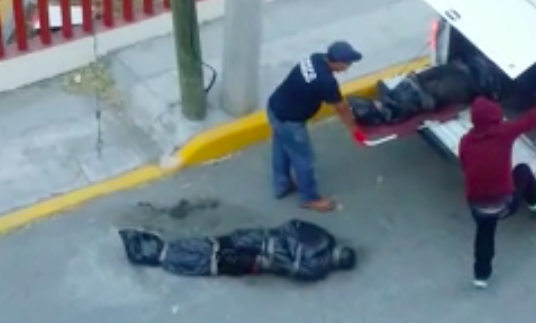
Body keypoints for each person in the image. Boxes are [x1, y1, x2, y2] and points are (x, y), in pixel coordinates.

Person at [458, 95, 536, 288]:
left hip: (477, 206)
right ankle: (535, 200)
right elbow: (529, 120)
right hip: (505, 204)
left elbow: (464, 164)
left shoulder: (466, 142)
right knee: (522, 171)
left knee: (484, 233)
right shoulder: (504, 132)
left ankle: (481, 276)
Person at [266, 41, 363, 212]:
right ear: (337, 62)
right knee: (303, 159)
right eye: (347, 64)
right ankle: (309, 198)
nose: (347, 68)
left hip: (275, 107)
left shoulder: (315, 58)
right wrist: (353, 129)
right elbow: (341, 108)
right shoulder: (326, 81)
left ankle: (281, 185)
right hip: (291, 121)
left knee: (281, 147)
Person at [117, 219, 357, 282]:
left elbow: (290, 233)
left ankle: (161, 253)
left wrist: (277, 245)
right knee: (214, 250)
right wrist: (277, 249)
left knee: (215, 254)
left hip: (256, 250)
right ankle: (163, 252)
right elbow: (289, 265)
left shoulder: (319, 254)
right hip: (257, 252)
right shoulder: (318, 261)